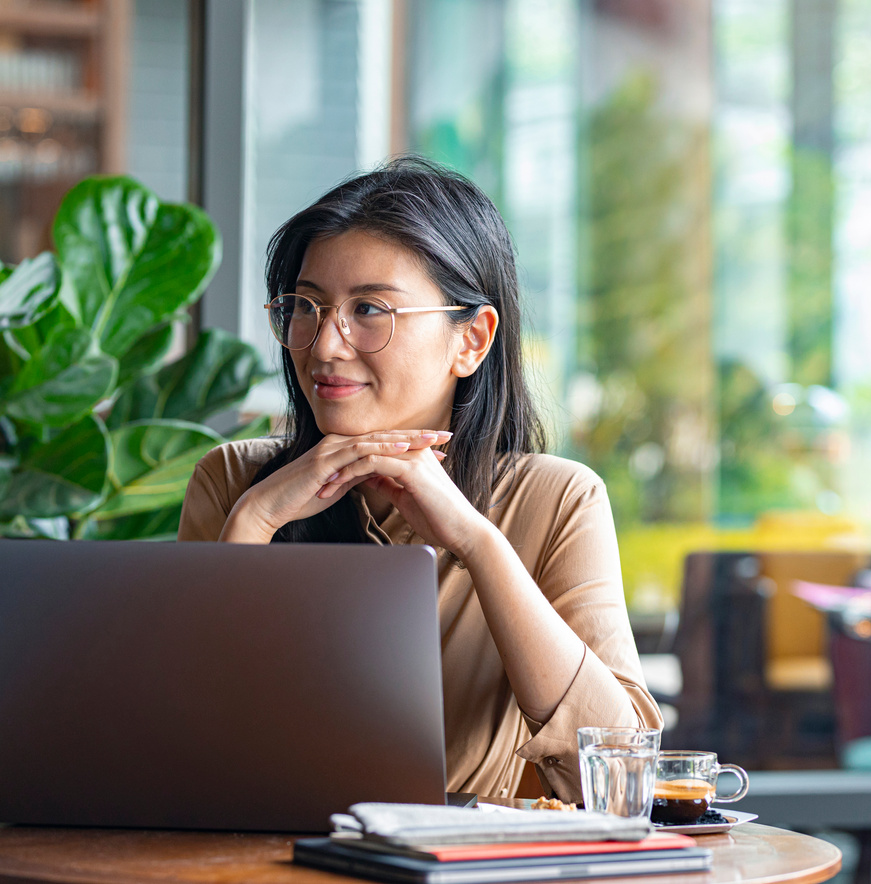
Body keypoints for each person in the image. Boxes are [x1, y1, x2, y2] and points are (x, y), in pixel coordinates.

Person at [178, 156, 662, 803]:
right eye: (306, 306)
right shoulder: (234, 481)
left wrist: (478, 542)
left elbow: (622, 775)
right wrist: (254, 523)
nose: (323, 346)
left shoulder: (558, 500)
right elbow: (182, 748)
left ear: (472, 340)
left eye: (370, 309)